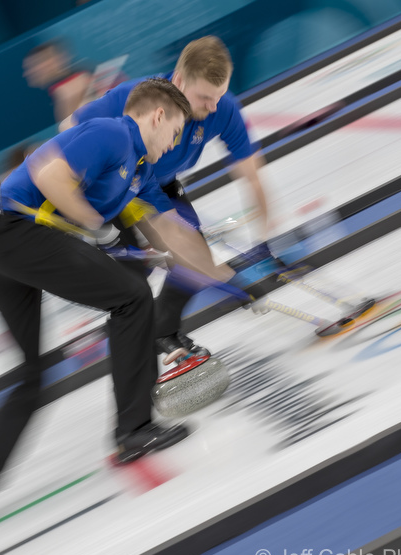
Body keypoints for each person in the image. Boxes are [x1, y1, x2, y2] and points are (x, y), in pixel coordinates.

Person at [0, 78, 222, 513]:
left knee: (36, 373)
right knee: (131, 298)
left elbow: (166, 227)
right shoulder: (112, 133)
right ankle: (134, 430)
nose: (174, 143)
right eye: (175, 130)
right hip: (8, 231)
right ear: (157, 115)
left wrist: (208, 265)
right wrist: (98, 225)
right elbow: (49, 174)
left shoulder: (142, 170)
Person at [60, 36, 275, 364]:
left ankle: (163, 331)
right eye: (204, 97)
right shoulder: (134, 97)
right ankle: (134, 350)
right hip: (118, 187)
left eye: (218, 96)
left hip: (158, 185)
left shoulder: (223, 107)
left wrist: (263, 242)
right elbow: (68, 128)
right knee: (141, 276)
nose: (213, 106)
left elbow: (252, 174)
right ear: (178, 82)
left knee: (193, 260)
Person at [23, 39, 94, 123]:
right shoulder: (78, 81)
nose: (27, 73)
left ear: (54, 61)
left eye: (33, 65)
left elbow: (75, 131)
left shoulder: (69, 91)